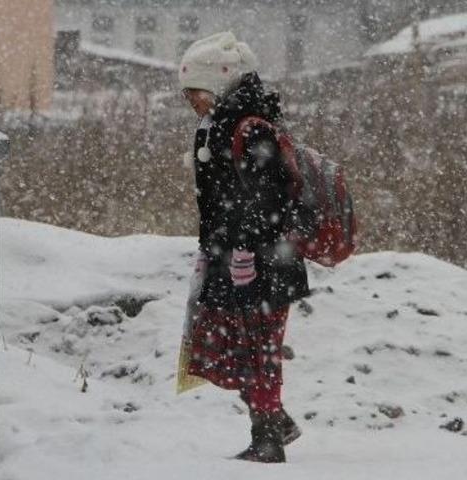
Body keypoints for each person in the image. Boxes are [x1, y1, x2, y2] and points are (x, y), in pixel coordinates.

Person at [179, 32, 310, 463]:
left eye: (197, 93)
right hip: (231, 257)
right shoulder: (217, 126)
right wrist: (215, 249)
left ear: (217, 86)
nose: (193, 103)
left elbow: (267, 199)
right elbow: (223, 202)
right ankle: (275, 422)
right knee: (231, 348)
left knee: (259, 349)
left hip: (262, 261)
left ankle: (268, 439)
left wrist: (245, 249)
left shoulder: (250, 128)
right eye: (188, 96)